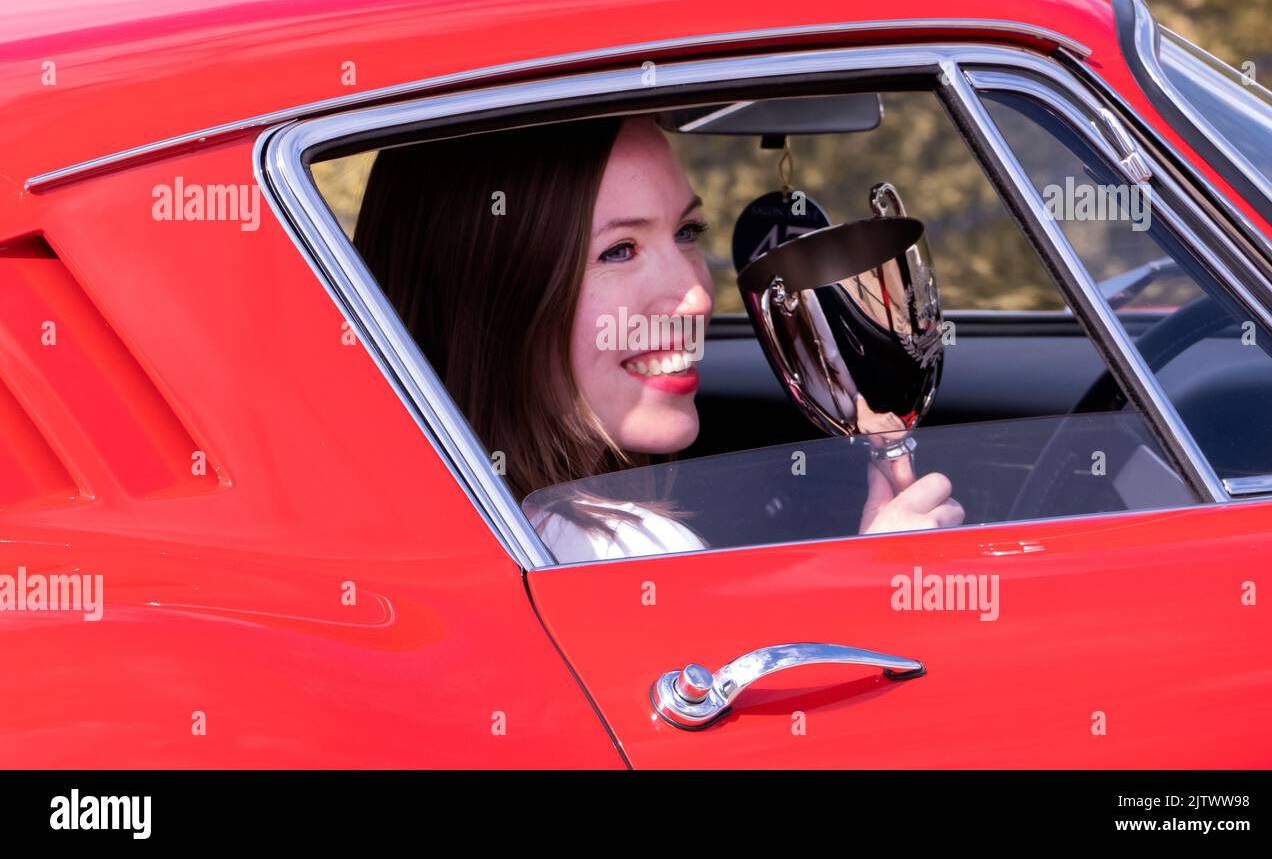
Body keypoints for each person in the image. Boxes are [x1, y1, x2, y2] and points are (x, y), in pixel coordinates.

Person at [353, 114, 963, 562]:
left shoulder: (417, 531)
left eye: (688, 232)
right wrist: (879, 588)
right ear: (492, 297)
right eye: (619, 250)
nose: (698, 298)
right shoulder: (612, 552)